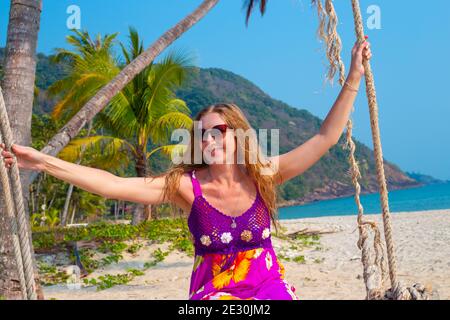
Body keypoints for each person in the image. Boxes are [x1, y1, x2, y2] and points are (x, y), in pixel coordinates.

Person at [1, 39, 372, 300]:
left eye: (217, 132)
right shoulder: (184, 187)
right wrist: (43, 161)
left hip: (267, 288)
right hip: (212, 294)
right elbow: (111, 185)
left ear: (238, 133)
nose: (208, 141)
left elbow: (324, 138)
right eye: (201, 136)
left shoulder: (264, 174)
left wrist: (353, 76)